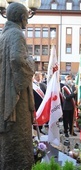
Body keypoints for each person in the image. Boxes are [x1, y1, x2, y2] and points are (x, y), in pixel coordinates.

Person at [0, 3, 35, 169]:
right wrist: (32, 63)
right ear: (22, 18)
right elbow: (16, 59)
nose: (27, 22)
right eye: (26, 18)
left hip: (5, 93)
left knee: (9, 142)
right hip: (16, 95)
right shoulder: (17, 34)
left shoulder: (3, 35)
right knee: (19, 138)